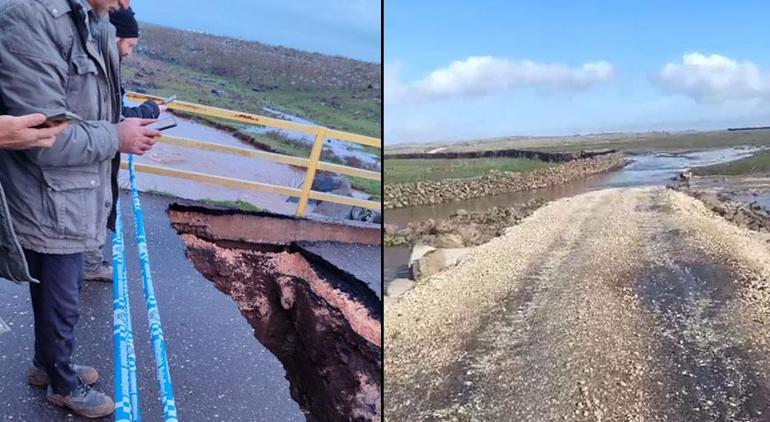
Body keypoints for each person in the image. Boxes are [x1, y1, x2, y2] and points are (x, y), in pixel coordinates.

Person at [0, 0, 160, 417]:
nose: (127, 4)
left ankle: (45, 364)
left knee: (55, 292)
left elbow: (94, 110)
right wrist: (117, 137)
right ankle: (62, 382)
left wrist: (127, 124)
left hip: (73, 191)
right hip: (51, 196)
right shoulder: (32, 17)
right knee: (62, 297)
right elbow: (42, 136)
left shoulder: (93, 20)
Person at [84, 5, 168, 282]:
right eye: (130, 44)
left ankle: (88, 263)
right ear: (114, 36)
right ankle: (87, 265)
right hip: (92, 156)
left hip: (96, 152)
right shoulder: (98, 68)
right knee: (93, 207)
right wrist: (150, 112)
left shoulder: (105, 63)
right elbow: (116, 115)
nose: (130, 52)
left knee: (97, 206)